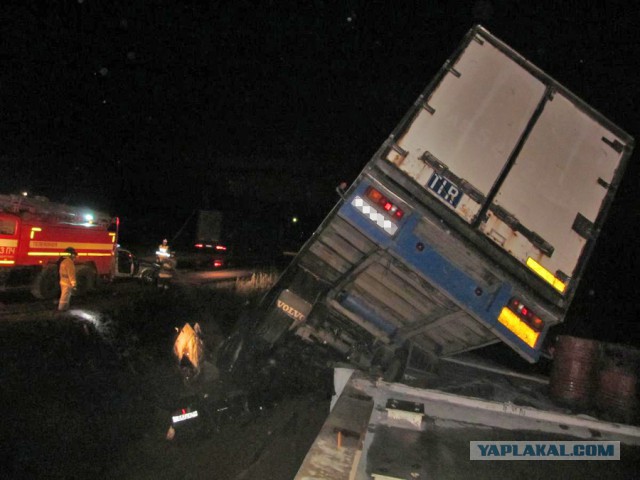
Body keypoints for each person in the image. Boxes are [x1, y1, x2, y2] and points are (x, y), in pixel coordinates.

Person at [58, 247, 78, 311]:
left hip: (62, 281)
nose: (75, 257)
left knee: (64, 296)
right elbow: (71, 275)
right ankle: (62, 309)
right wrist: (74, 285)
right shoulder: (70, 263)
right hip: (67, 283)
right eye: (74, 255)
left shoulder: (63, 261)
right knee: (65, 297)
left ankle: (64, 308)